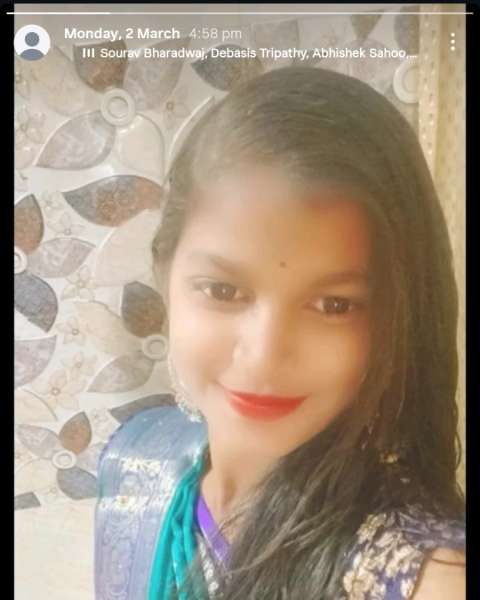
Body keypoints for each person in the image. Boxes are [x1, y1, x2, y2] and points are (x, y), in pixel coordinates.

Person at [94, 66, 466, 599]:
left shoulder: (423, 577)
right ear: (164, 276)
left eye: (334, 305)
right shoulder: (139, 461)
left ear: (395, 318)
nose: (265, 356)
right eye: (223, 290)